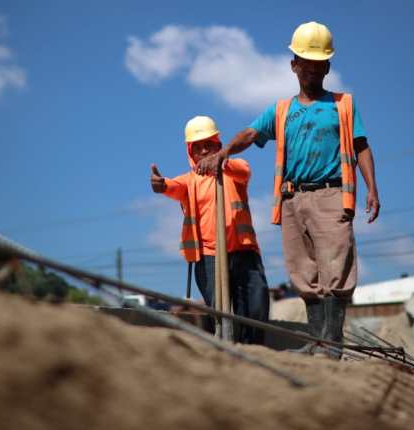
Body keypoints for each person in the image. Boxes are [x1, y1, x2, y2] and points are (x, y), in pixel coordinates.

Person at [196, 22, 381, 358]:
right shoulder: (281, 111)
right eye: (305, 63)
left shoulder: (342, 105)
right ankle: (317, 341)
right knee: (303, 271)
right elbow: (251, 134)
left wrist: (372, 189)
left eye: (318, 64)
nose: (311, 70)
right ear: (294, 65)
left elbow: (361, 147)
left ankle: (333, 344)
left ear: (327, 67)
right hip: (293, 199)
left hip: (331, 194)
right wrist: (224, 152)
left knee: (335, 268)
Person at [150, 115, 270, 344]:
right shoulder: (189, 181)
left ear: (218, 145)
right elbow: (171, 186)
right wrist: (160, 184)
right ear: (190, 152)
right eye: (198, 147)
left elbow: (244, 170)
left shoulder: (234, 170)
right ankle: (226, 348)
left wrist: (222, 161)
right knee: (220, 313)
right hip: (209, 257)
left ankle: (253, 350)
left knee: (255, 307)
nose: (204, 151)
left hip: (244, 251)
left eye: (209, 144)